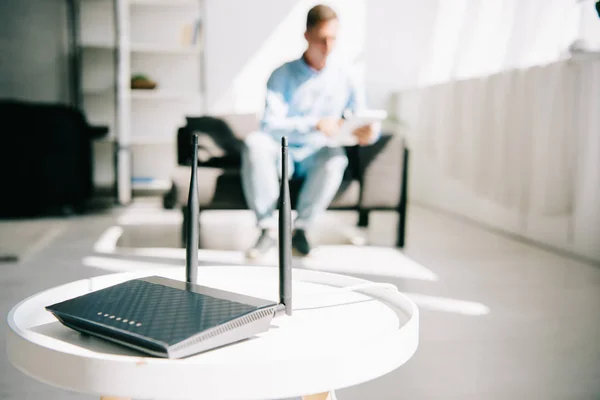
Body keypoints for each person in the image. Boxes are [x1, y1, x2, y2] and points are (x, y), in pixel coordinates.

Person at [242, 4, 380, 259]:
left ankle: (301, 230)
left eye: (333, 39)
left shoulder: (347, 77)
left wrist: (369, 133)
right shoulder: (281, 75)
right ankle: (268, 229)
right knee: (255, 143)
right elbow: (270, 125)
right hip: (281, 152)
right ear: (307, 36)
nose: (328, 46)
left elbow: (364, 116)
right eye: (322, 39)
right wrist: (315, 123)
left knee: (336, 157)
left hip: (317, 153)